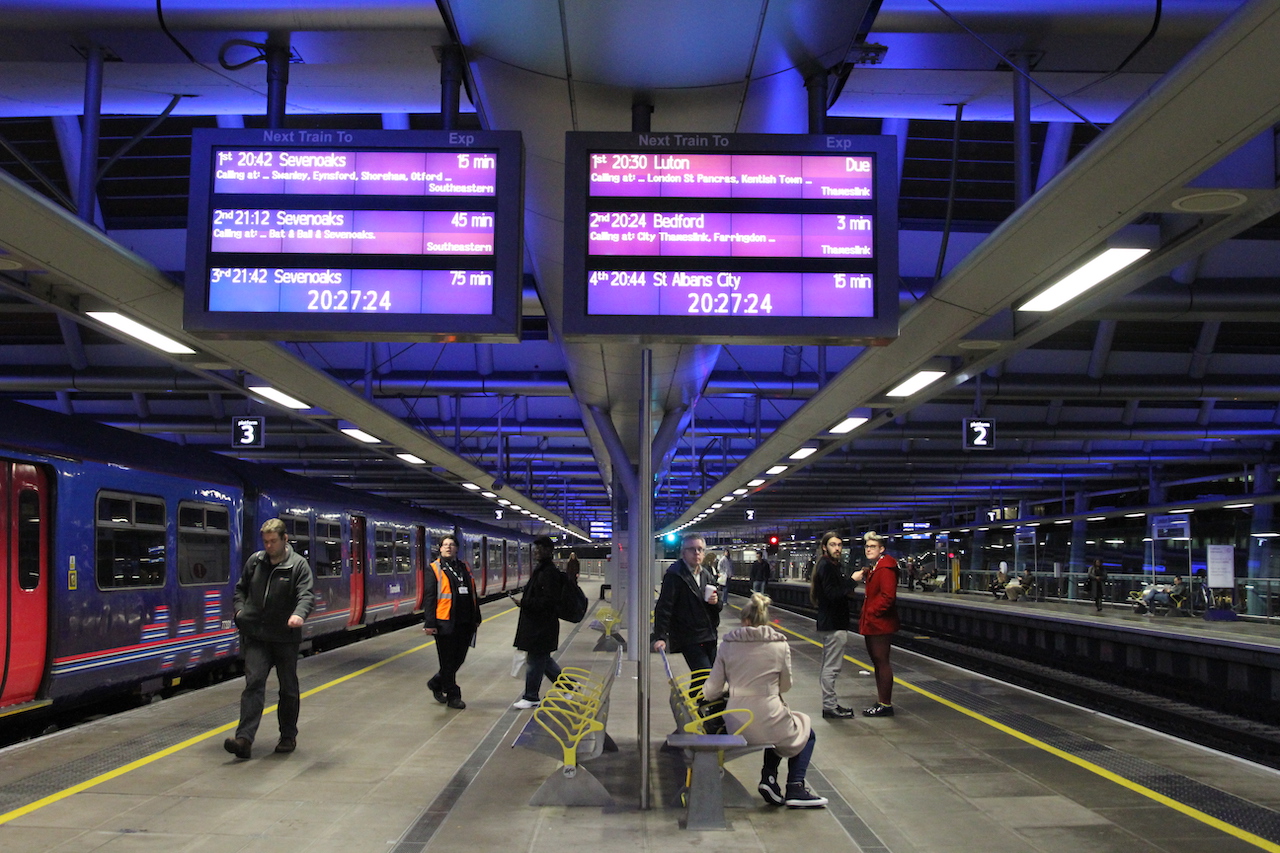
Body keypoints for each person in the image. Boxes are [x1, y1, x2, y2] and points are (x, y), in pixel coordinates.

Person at [702, 593, 827, 808]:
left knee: (778, 726)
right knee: (804, 731)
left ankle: (769, 780)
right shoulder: (779, 645)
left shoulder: (728, 645)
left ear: (745, 620)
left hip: (737, 722)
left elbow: (711, 691)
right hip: (769, 714)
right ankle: (795, 787)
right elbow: (785, 686)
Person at [224, 518, 315, 760]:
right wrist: (240, 612)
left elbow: (306, 595)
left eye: (273, 541)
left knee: (288, 688)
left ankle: (287, 736)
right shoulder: (255, 562)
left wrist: (299, 614)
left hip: (285, 637)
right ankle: (244, 740)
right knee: (253, 684)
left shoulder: (298, 565)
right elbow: (240, 589)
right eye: (265, 541)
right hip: (257, 635)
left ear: (285, 539)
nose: (269, 546)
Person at [511, 536, 579, 709]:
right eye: (536, 548)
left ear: (549, 551)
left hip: (541, 625)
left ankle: (531, 696)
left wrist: (524, 603)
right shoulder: (542, 570)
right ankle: (569, 686)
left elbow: (549, 601)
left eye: (541, 548)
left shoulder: (548, 573)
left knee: (535, 661)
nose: (536, 551)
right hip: (538, 624)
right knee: (543, 660)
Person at [423, 534, 481, 709]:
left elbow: (472, 592)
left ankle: (436, 682)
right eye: (445, 544)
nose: (448, 547)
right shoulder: (433, 569)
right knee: (447, 661)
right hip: (445, 622)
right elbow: (430, 598)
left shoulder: (464, 567)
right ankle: (453, 696)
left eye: (452, 544)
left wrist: (477, 616)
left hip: (465, 622)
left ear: (457, 548)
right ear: (440, 549)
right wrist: (430, 623)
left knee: (459, 659)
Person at [651, 533, 723, 673]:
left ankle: (699, 689)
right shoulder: (675, 575)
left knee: (710, 677)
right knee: (704, 673)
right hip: (688, 636)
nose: (696, 552)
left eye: (700, 549)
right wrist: (660, 636)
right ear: (683, 553)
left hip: (709, 634)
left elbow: (718, 606)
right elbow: (664, 606)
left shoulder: (706, 575)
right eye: (692, 549)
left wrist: (715, 602)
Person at [809, 531, 856, 719]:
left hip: (831, 623)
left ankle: (831, 704)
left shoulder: (830, 565)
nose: (837, 548)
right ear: (824, 547)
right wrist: (852, 582)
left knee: (828, 667)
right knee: (831, 668)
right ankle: (829, 707)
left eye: (839, 545)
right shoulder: (827, 566)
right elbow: (832, 594)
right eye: (833, 545)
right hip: (833, 624)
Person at [853, 531, 899, 717]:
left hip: (880, 623)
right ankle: (882, 701)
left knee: (882, 662)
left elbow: (888, 596)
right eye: (867, 546)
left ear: (882, 549)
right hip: (875, 623)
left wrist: (872, 613)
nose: (869, 549)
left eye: (873, 546)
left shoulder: (886, 568)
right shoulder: (877, 567)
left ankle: (885, 704)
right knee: (878, 663)